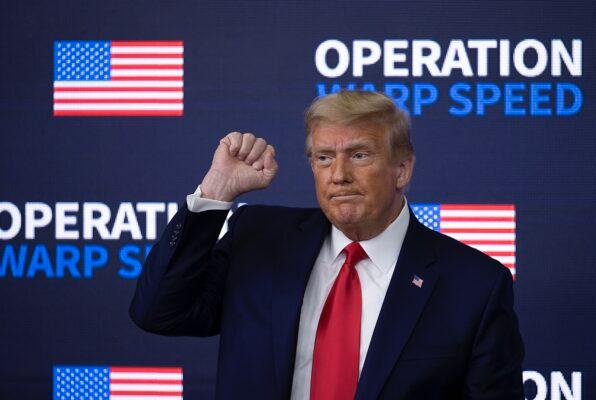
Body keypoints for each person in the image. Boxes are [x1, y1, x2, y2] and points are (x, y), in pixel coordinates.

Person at [129, 90, 524, 399]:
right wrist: (216, 192)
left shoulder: (473, 285)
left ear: (402, 169)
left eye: (360, 155)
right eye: (323, 157)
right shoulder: (259, 240)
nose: (339, 175)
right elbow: (158, 312)